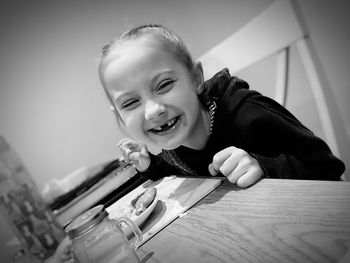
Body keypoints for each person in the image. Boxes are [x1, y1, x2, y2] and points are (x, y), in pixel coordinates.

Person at [98, 24, 345, 188]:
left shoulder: (248, 112)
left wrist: (264, 167)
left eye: (163, 85)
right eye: (130, 102)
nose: (153, 111)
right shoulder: (173, 138)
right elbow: (179, 167)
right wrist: (150, 166)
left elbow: (328, 169)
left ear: (196, 79)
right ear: (119, 118)